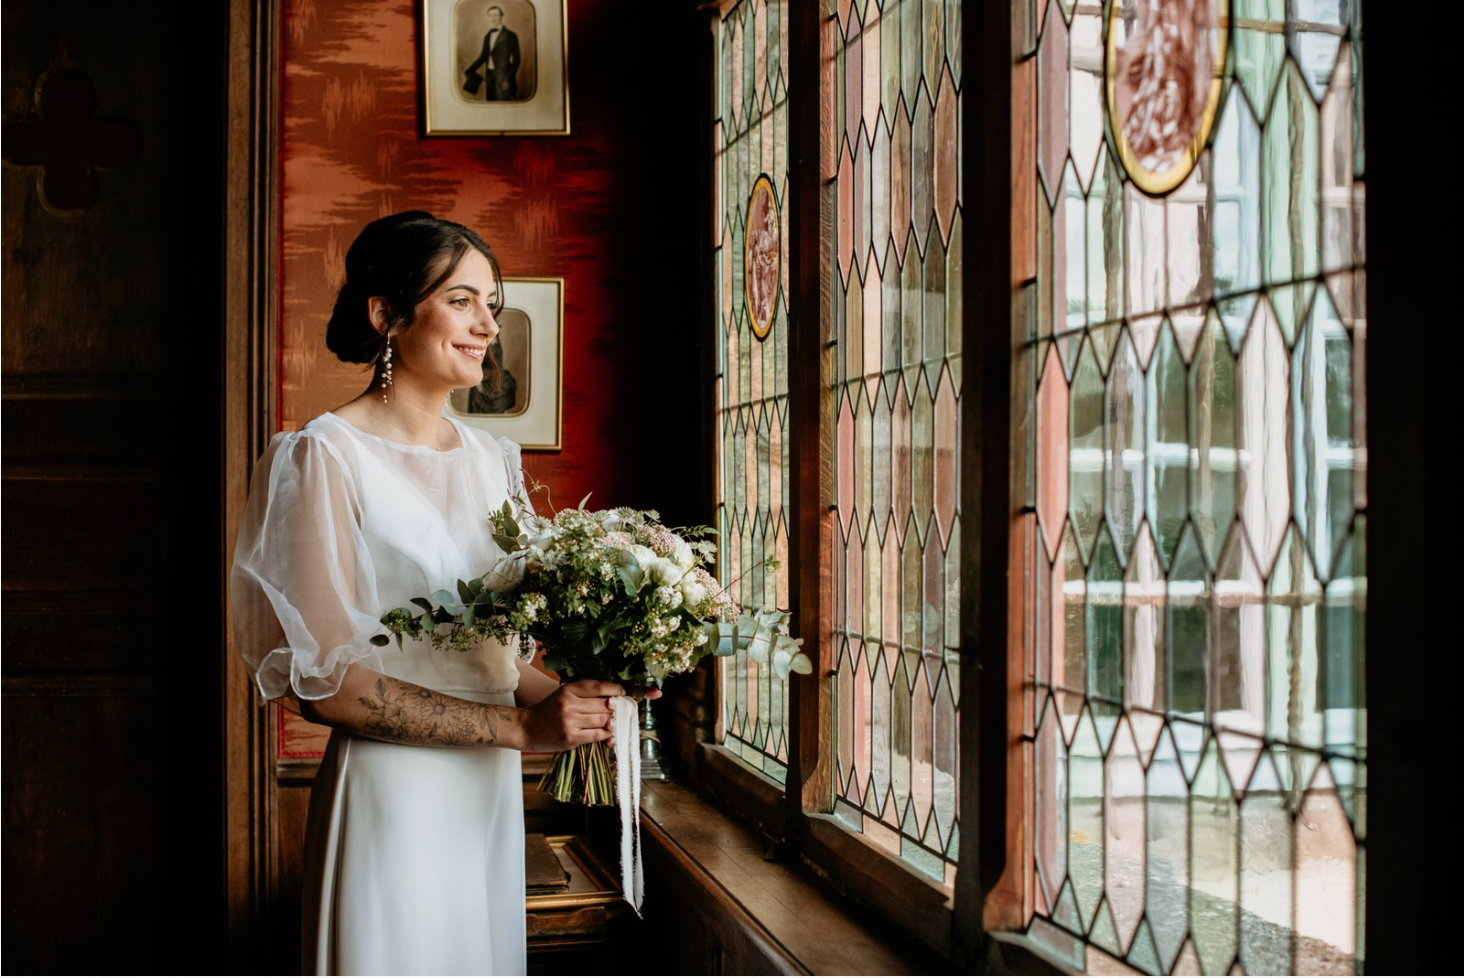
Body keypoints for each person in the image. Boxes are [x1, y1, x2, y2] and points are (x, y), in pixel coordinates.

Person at [230, 211, 640, 975]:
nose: (489, 323)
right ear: (386, 315)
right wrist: (520, 731)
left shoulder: (493, 460)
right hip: (394, 794)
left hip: (484, 797)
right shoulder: (323, 457)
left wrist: (586, 703)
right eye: (461, 300)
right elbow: (327, 685)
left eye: (493, 300)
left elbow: (495, 659)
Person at [464, 5, 520, 101]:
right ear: (487, 18)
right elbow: (482, 57)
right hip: (489, 76)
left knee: (503, 105)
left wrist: (508, 78)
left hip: (503, 77)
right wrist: (469, 70)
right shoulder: (487, 36)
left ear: (501, 17)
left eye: (495, 15)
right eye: (490, 16)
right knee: (491, 103)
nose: (492, 18)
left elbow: (517, 60)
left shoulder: (511, 36)